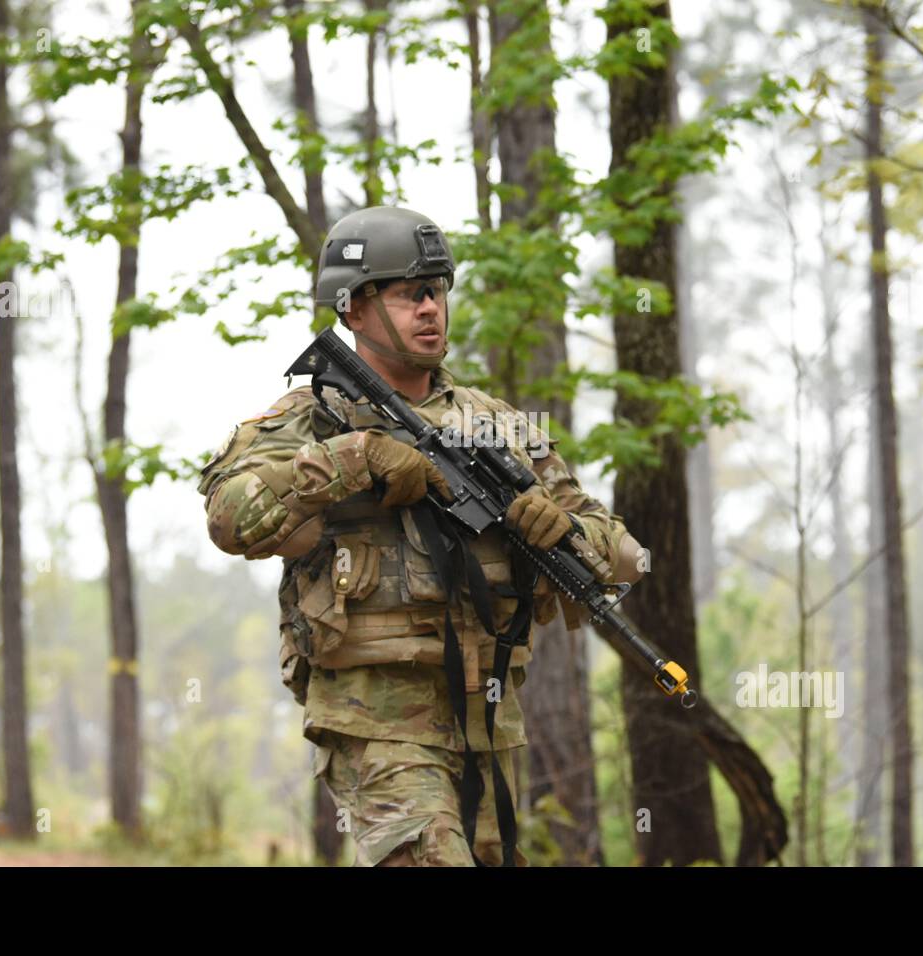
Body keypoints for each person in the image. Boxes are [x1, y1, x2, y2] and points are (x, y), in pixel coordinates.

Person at [197, 205, 646, 866]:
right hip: (373, 719)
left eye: (437, 292)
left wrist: (567, 528)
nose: (432, 309)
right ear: (350, 309)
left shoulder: (495, 426)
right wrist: (356, 458)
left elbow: (626, 557)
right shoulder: (311, 416)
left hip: (487, 723)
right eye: (410, 295)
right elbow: (228, 517)